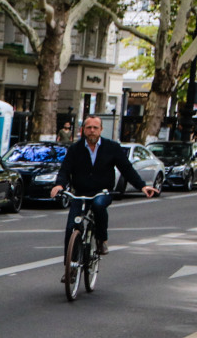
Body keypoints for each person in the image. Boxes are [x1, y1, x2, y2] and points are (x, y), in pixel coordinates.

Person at [51, 116, 158, 278]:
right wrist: (59, 185)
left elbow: (126, 168)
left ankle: (101, 240)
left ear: (101, 130)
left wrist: (142, 186)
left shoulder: (112, 148)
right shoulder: (75, 149)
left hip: (103, 191)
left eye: (95, 127)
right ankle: (70, 268)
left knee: (99, 205)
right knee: (71, 227)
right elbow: (65, 169)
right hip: (80, 193)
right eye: (88, 127)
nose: (92, 131)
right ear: (83, 130)